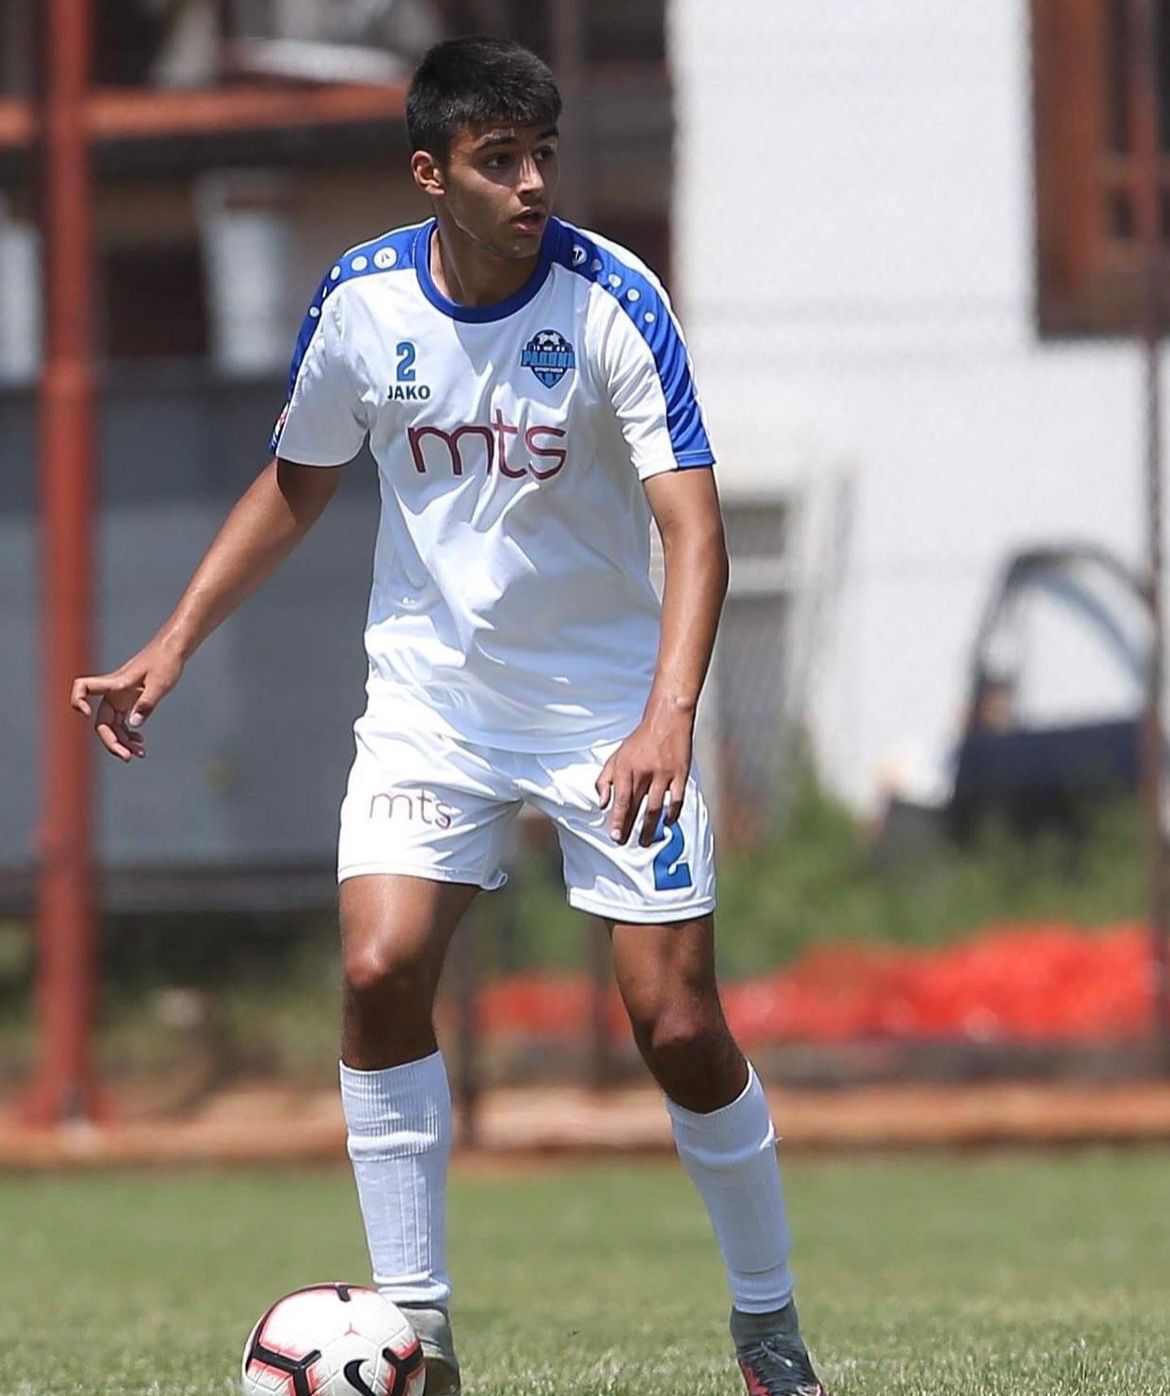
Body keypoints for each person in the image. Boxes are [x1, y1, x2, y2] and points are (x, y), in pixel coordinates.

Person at [71, 35, 825, 1396]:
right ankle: (416, 1338)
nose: (531, 183)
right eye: (499, 160)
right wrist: (169, 646)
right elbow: (295, 482)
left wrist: (667, 715)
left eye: (542, 156)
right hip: (432, 705)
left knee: (675, 1024)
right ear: (432, 174)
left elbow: (694, 529)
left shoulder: (611, 300)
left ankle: (767, 1330)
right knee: (377, 971)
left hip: (605, 710)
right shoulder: (362, 304)